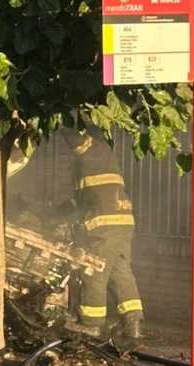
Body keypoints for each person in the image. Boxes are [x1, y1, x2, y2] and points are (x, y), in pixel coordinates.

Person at [56, 127, 144, 342]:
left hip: (104, 225)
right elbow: (86, 199)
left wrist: (61, 121)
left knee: (93, 270)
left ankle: (91, 324)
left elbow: (74, 135)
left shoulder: (95, 148)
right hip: (122, 223)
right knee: (120, 272)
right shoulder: (101, 161)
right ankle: (134, 325)